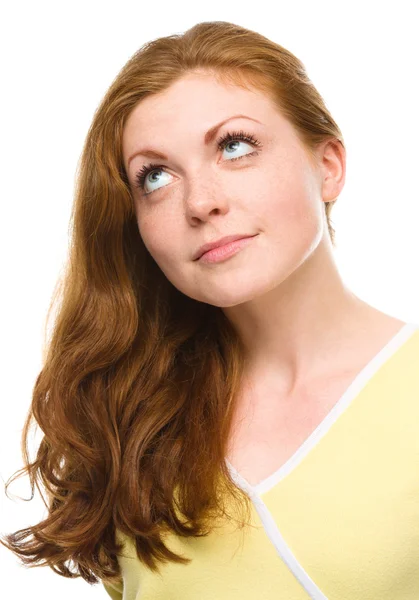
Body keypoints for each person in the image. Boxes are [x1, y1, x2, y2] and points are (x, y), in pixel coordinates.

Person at [2, 20, 419, 600]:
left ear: (328, 165)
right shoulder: (137, 423)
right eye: (155, 177)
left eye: (235, 145)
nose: (200, 202)